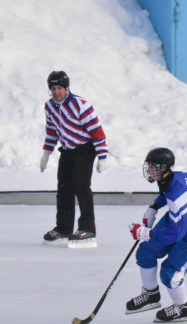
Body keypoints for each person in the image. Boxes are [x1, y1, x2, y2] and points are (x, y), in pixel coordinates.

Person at [125, 148, 187, 322]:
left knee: (170, 273)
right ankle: (151, 295)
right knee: (145, 252)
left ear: (165, 168)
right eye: (149, 166)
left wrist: (145, 232)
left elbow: (174, 234)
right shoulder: (181, 176)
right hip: (180, 221)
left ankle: (182, 307)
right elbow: (169, 194)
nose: (150, 171)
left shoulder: (177, 199)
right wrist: (154, 206)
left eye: (154, 167)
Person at [39, 70, 109, 247]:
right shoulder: (49, 107)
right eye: (53, 88)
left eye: (60, 88)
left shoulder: (81, 105)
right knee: (63, 188)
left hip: (85, 148)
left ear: (66, 88)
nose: (56, 92)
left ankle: (87, 228)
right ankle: (63, 228)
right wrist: (46, 153)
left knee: (81, 186)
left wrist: (102, 157)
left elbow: (97, 132)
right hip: (68, 150)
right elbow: (52, 132)